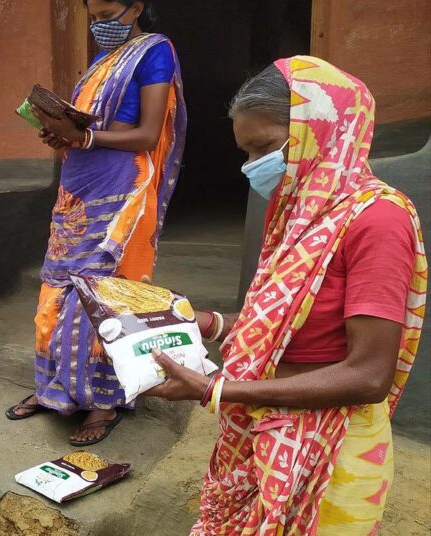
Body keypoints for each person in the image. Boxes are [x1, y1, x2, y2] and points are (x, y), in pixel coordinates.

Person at [146, 56, 427, 534]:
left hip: (329, 447)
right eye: (246, 152)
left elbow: (369, 374)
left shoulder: (377, 221)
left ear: (323, 132)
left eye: (265, 148)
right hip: (265, 425)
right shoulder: (299, 215)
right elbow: (280, 319)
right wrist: (208, 321)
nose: (252, 167)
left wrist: (217, 390)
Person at [6, 0, 187, 446]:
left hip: (121, 189)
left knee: (105, 294)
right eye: (95, 18)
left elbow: (146, 134)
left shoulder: (153, 51)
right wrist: (61, 132)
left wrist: (83, 136)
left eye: (109, 16)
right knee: (56, 289)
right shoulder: (102, 61)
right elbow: (85, 126)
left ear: (137, 7)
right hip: (78, 188)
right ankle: (56, 390)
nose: (100, 26)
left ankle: (104, 401)